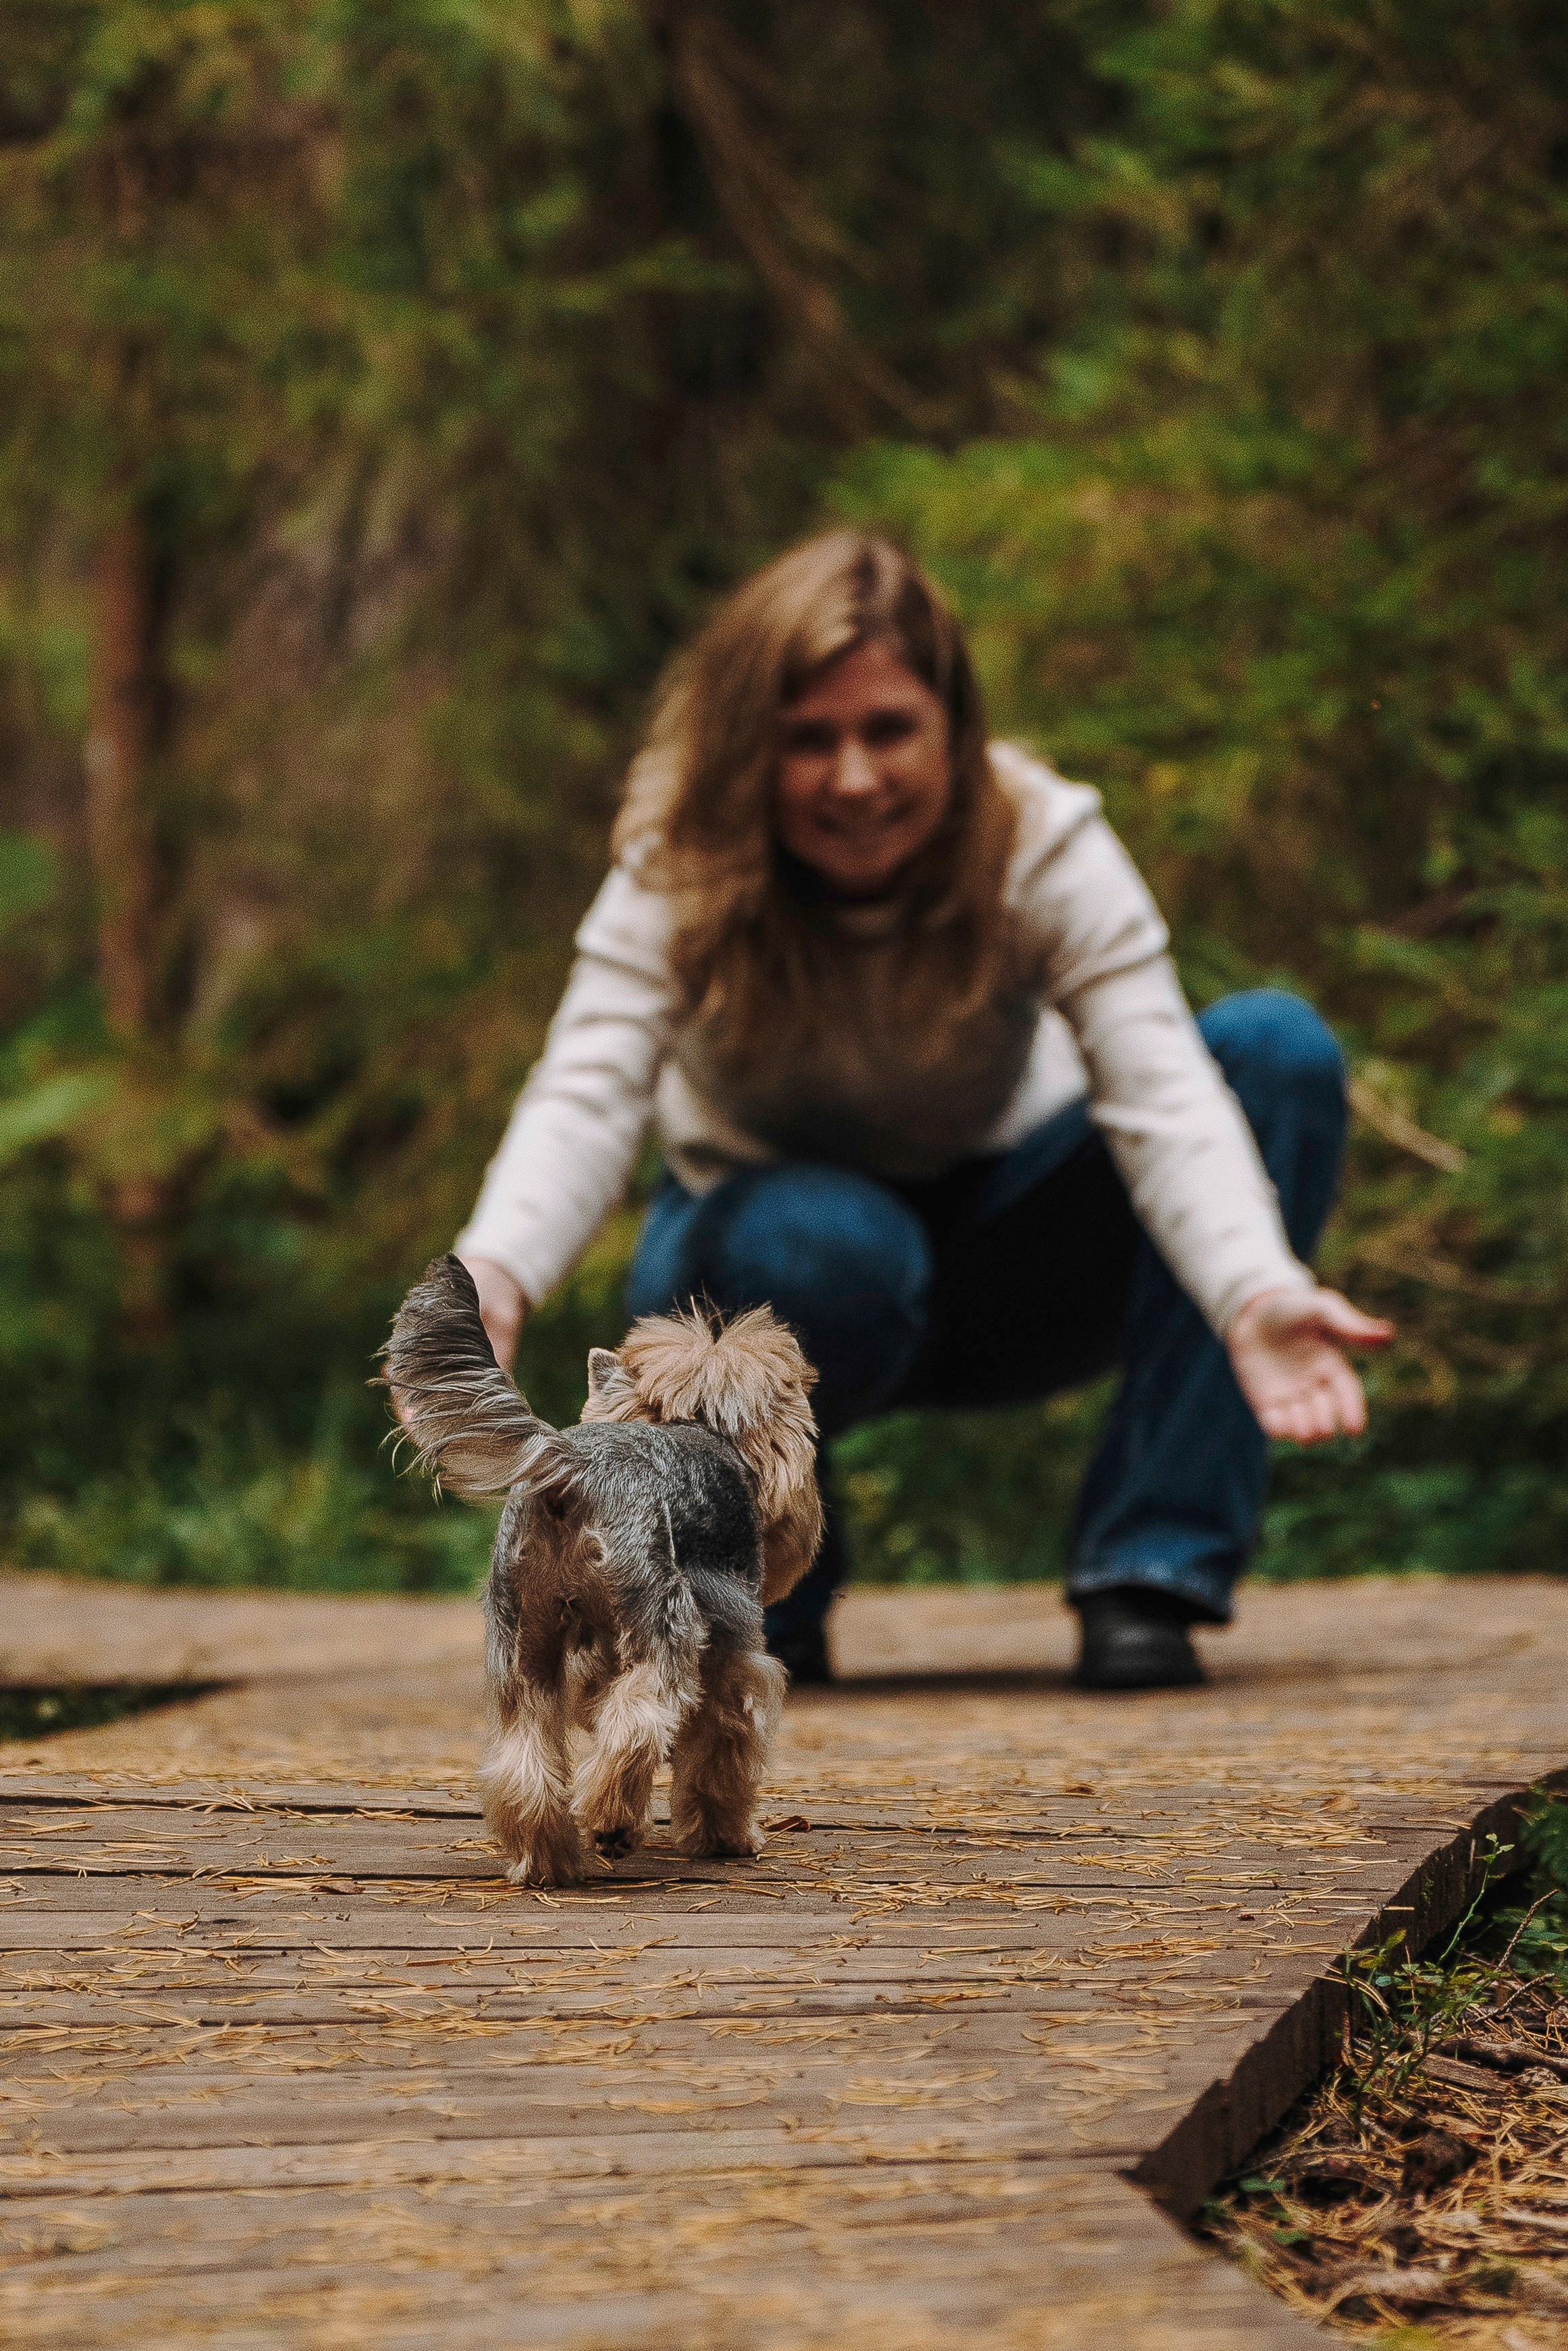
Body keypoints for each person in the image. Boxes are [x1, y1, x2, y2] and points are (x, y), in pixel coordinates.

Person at [454, 532, 1392, 1691]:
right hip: (778, 1273)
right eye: (809, 740)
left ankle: (1148, 1571)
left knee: (1272, 1051)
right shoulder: (681, 858)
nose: (855, 779)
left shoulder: (1041, 839)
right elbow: (588, 1085)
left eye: (888, 730)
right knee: (812, 1233)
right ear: (751, 747)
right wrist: (497, 1270)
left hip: (1016, 1255)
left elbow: (1163, 1089)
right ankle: (751, 1592)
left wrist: (1254, 1289)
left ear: (953, 725)